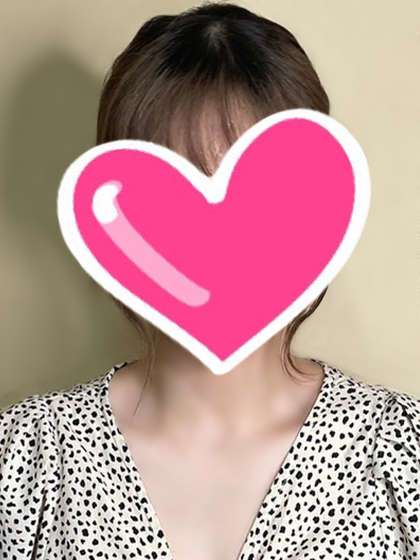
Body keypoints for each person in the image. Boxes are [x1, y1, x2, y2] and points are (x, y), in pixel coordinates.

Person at [1, 3, 419, 559]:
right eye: (174, 194)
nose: (214, 241)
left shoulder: (402, 453)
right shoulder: (26, 457)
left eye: (255, 197)